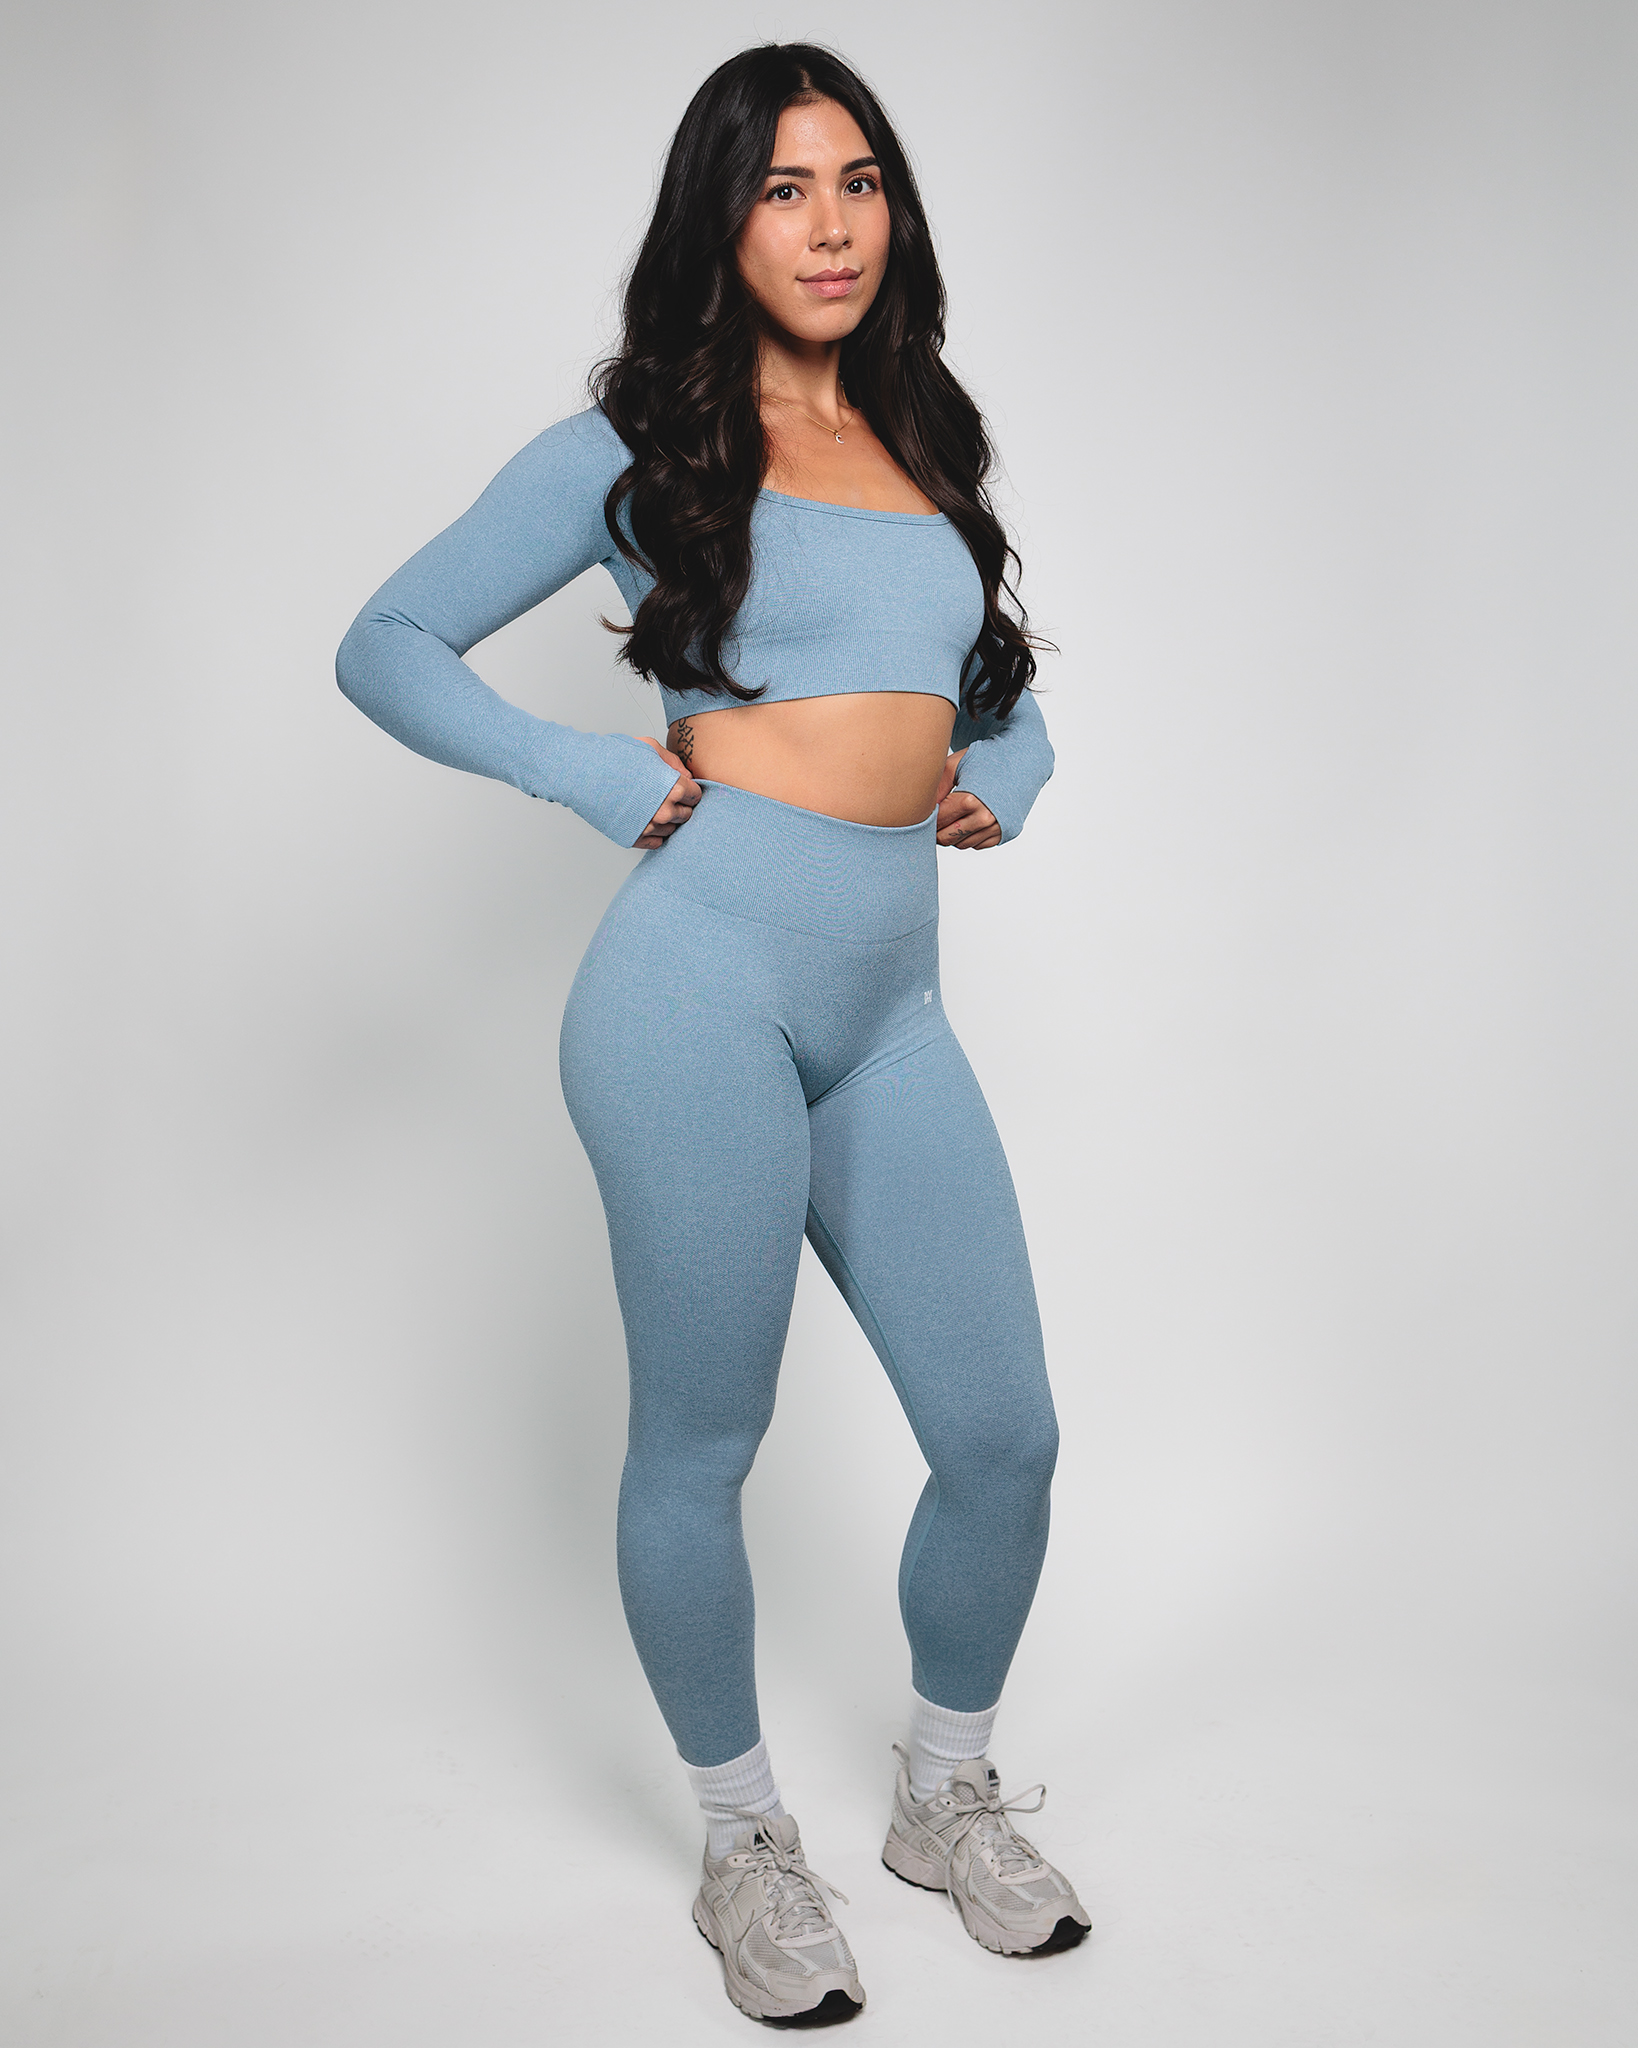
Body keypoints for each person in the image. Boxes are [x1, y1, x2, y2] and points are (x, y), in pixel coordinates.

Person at [336, 41, 1087, 2026]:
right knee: (704, 1439)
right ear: (719, 220)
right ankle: (742, 1840)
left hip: (890, 1006)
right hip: (696, 993)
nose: (832, 226)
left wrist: (1013, 775)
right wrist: (586, 774)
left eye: (860, 182)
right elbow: (384, 641)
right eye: (783, 189)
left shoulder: (920, 434)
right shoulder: (639, 443)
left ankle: (941, 1794)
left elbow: (992, 691)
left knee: (1004, 1437)